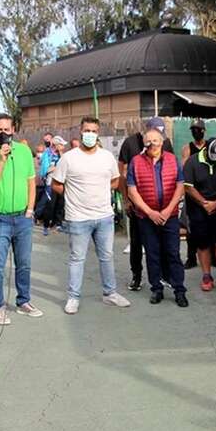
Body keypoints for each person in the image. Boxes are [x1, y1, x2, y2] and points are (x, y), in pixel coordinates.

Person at [51, 116, 131, 314]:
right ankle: (73, 297)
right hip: (78, 218)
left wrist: (99, 190)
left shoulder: (106, 157)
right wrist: (74, 195)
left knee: (107, 256)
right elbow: (56, 184)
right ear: (81, 131)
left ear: (98, 133)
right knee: (77, 259)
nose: (90, 134)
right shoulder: (69, 158)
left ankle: (110, 293)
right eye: (87, 130)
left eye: (94, 131)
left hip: (104, 216)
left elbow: (115, 181)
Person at [0, 114, 43, 325]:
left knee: (24, 263)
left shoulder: (23, 151)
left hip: (23, 217)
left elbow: (31, 181)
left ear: (13, 130)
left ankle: (24, 301)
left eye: (6, 129)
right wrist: (1, 160)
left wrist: (30, 209)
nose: (3, 133)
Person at [127, 128, 188, 307]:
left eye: (156, 140)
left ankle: (179, 290)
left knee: (173, 253)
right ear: (144, 143)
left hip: (170, 216)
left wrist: (169, 210)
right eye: (149, 141)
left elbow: (180, 186)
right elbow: (132, 191)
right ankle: (157, 289)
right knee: (152, 254)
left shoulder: (172, 159)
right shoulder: (136, 162)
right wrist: (149, 212)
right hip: (146, 218)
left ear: (162, 142)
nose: (152, 144)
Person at [118, 117, 175, 291]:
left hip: (161, 205)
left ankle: (164, 275)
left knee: (162, 242)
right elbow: (122, 174)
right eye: (153, 136)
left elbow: (171, 169)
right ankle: (136, 275)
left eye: (159, 136)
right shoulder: (130, 143)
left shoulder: (166, 143)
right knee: (137, 242)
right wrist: (126, 200)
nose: (155, 143)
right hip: (138, 205)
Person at [182, 137, 216, 292]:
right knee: (203, 243)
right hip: (198, 209)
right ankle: (206, 276)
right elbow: (188, 186)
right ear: (205, 150)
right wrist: (204, 203)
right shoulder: (192, 162)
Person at [180, 118, 207, 270]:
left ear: (203, 131)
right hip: (192, 190)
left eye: (198, 130)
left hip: (208, 189)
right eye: (193, 130)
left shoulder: (209, 146)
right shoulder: (187, 148)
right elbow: (184, 168)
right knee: (191, 226)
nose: (196, 132)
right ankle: (191, 257)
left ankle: (212, 257)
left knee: (209, 225)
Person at [38, 135, 67, 234]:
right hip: (50, 182)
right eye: (61, 145)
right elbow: (46, 169)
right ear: (56, 145)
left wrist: (61, 153)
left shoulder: (62, 155)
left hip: (61, 181)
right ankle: (46, 224)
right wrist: (54, 168)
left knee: (60, 203)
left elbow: (65, 164)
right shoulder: (47, 154)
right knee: (50, 203)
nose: (63, 146)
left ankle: (57, 224)